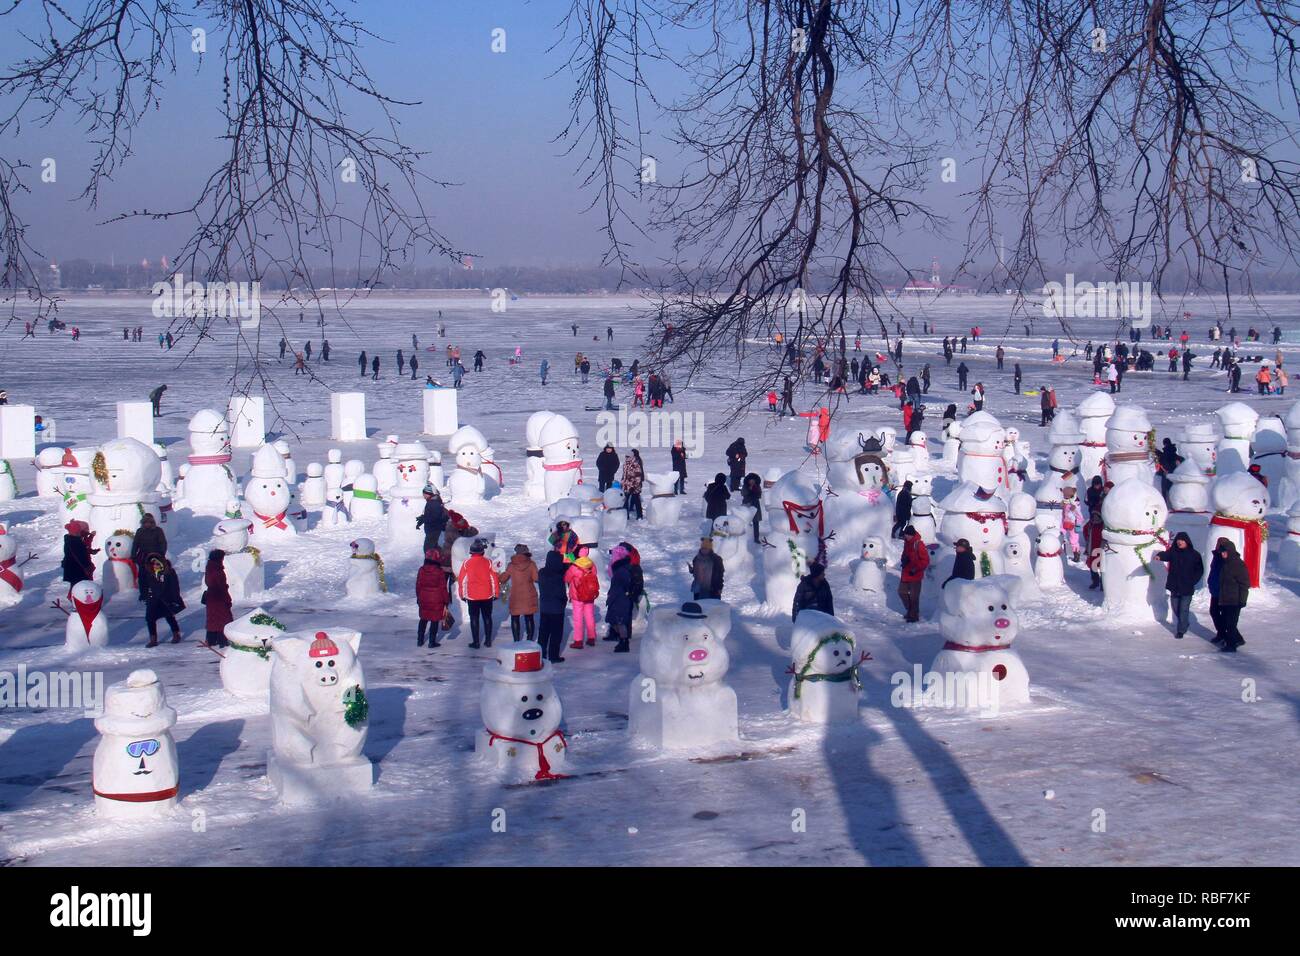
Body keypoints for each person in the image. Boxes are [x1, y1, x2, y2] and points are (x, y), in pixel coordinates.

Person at [1155, 532, 1203, 640]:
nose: (1179, 542)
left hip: (1187, 587)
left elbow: (1199, 570)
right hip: (1175, 586)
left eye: (1182, 540)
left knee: (1184, 609)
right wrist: (1159, 556)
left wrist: (1192, 581)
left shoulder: (1194, 554)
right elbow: (1166, 555)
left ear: (1187, 542)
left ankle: (1181, 630)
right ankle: (1184, 623)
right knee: (1176, 608)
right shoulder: (1174, 552)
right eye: (1178, 540)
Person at [456, 539, 501, 649]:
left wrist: (462, 594)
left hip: (472, 596)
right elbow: (494, 579)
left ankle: (476, 642)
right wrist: (496, 593)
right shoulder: (489, 562)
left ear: (471, 552)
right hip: (487, 595)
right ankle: (488, 641)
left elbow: (462, 580)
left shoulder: (466, 563)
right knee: (487, 617)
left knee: (474, 618)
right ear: (482, 552)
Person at [1208, 538, 1249, 651]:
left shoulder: (1237, 564)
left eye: (1224, 550)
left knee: (1229, 622)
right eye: (1221, 549)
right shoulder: (1221, 559)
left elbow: (1244, 584)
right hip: (1221, 594)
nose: (1222, 553)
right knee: (1223, 618)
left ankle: (1231, 645)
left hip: (1233, 598)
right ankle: (1236, 638)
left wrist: (1242, 600)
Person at [139, 553, 185, 647]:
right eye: (153, 564)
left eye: (157, 563)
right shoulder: (149, 573)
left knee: (169, 616)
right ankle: (153, 639)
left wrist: (175, 598)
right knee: (150, 619)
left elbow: (174, 586)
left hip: (165, 598)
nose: (155, 566)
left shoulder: (169, 573)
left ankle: (176, 634)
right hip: (153, 599)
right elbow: (144, 585)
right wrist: (144, 595)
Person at [501, 544, 539, 642]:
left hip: (516, 595)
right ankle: (530, 640)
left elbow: (503, 579)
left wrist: (497, 576)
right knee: (529, 617)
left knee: (515, 617)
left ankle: (516, 640)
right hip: (529, 594)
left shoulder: (511, 565)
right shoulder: (531, 564)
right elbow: (536, 579)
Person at [537, 551, 569, 662]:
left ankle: (541, 654)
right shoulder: (559, 575)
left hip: (545, 607)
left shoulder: (541, 573)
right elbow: (561, 593)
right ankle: (553, 656)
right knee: (556, 634)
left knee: (543, 633)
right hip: (557, 608)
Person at [416, 547, 451, 648]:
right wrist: (446, 600)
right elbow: (443, 587)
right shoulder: (439, 571)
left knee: (423, 619)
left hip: (424, 597)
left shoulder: (421, 570)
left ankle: (420, 640)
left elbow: (418, 585)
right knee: (434, 620)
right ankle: (432, 642)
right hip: (436, 599)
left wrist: (419, 597)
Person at [564, 553, 600, 649]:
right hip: (589, 595)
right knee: (590, 616)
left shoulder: (574, 567)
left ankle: (578, 641)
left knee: (578, 618)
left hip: (577, 596)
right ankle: (591, 638)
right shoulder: (591, 565)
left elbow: (566, 578)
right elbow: (595, 575)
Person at [606, 546, 635, 652]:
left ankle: (624, 642)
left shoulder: (621, 571)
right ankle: (623, 641)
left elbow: (618, 587)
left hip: (620, 600)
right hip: (620, 599)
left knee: (619, 621)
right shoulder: (624, 569)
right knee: (616, 621)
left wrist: (611, 598)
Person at [203, 550, 234, 648]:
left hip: (211, 597)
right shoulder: (218, 570)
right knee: (224, 619)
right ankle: (222, 639)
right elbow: (222, 586)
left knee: (212, 619)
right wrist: (228, 599)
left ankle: (211, 639)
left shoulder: (209, 568)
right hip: (219, 597)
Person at [897, 526, 929, 622]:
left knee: (914, 596)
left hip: (915, 574)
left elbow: (925, 561)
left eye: (908, 535)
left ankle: (914, 615)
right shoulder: (907, 543)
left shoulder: (919, 544)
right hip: (906, 572)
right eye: (905, 534)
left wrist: (916, 568)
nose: (906, 536)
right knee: (901, 592)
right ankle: (911, 610)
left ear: (912, 534)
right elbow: (905, 554)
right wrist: (903, 559)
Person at [61, 520, 96, 590]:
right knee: (79, 585)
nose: (86, 533)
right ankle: (76, 597)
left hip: (73, 568)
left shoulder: (72, 539)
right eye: (84, 531)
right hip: (77, 568)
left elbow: (83, 550)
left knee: (76, 585)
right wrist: (87, 567)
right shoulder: (75, 542)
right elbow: (80, 555)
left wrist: (91, 550)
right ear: (78, 531)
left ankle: (74, 596)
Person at [741, 472, 763, 543]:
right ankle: (744, 537)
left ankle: (756, 538)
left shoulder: (757, 486)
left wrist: (754, 491)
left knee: (756, 522)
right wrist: (750, 490)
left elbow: (759, 495)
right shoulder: (745, 486)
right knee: (745, 521)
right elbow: (743, 493)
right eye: (751, 480)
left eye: (753, 480)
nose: (752, 482)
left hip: (755, 505)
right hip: (747, 504)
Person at [1085, 511, 1105, 589]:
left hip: (1101, 548)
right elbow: (1085, 530)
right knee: (1093, 566)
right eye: (1093, 516)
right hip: (1093, 548)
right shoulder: (1090, 524)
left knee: (1103, 567)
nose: (1095, 518)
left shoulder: (1103, 525)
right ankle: (1095, 581)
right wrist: (1087, 538)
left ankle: (1103, 583)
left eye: (1097, 516)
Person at [622, 449, 645, 520]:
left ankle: (639, 516)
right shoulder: (625, 464)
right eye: (626, 456)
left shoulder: (636, 464)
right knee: (625, 501)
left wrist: (634, 486)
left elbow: (638, 477)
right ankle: (625, 516)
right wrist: (622, 481)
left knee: (636, 501)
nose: (627, 458)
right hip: (626, 486)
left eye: (628, 456)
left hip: (635, 487)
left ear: (632, 456)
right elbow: (624, 475)